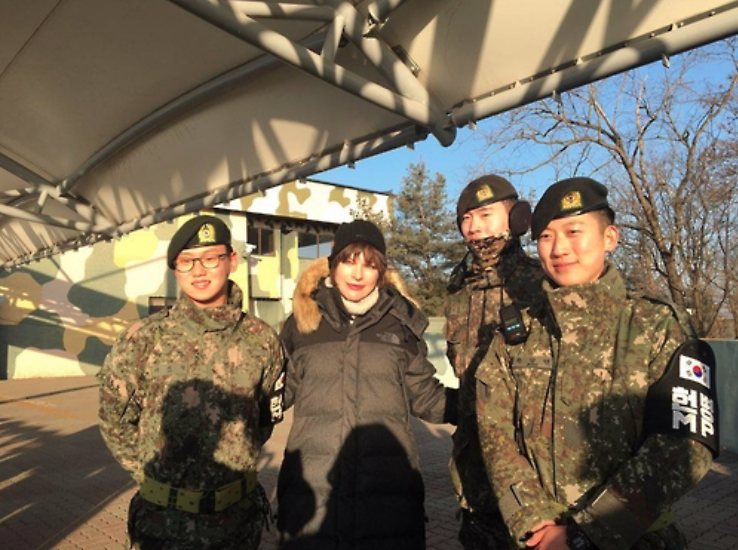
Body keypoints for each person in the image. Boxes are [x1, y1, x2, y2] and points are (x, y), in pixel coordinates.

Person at [476, 177, 719, 550]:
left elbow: (683, 444)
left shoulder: (655, 326)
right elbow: (495, 433)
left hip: (635, 539)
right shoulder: (515, 334)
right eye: (545, 237)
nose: (559, 248)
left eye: (574, 231)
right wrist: (533, 520)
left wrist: (585, 533)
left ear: (610, 238)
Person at [98, 214, 285, 550]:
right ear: (175, 271)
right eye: (186, 262)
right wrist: (152, 474)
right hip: (162, 525)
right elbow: (114, 419)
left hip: (237, 524)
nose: (199, 270)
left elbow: (264, 420)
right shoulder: (143, 339)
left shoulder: (262, 341)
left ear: (231, 261)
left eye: (210, 258)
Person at [276, 219, 457, 550]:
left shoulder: (401, 326)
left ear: (382, 272)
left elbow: (427, 399)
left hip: (387, 505)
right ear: (332, 265)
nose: (358, 274)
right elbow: (276, 395)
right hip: (313, 505)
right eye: (348, 261)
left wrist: (483, 402)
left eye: (370, 265)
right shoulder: (302, 324)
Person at [445, 174, 545, 549]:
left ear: (517, 218)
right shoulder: (458, 291)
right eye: (466, 220)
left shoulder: (542, 285)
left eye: (485, 216)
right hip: (475, 484)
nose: (473, 229)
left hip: (533, 487)